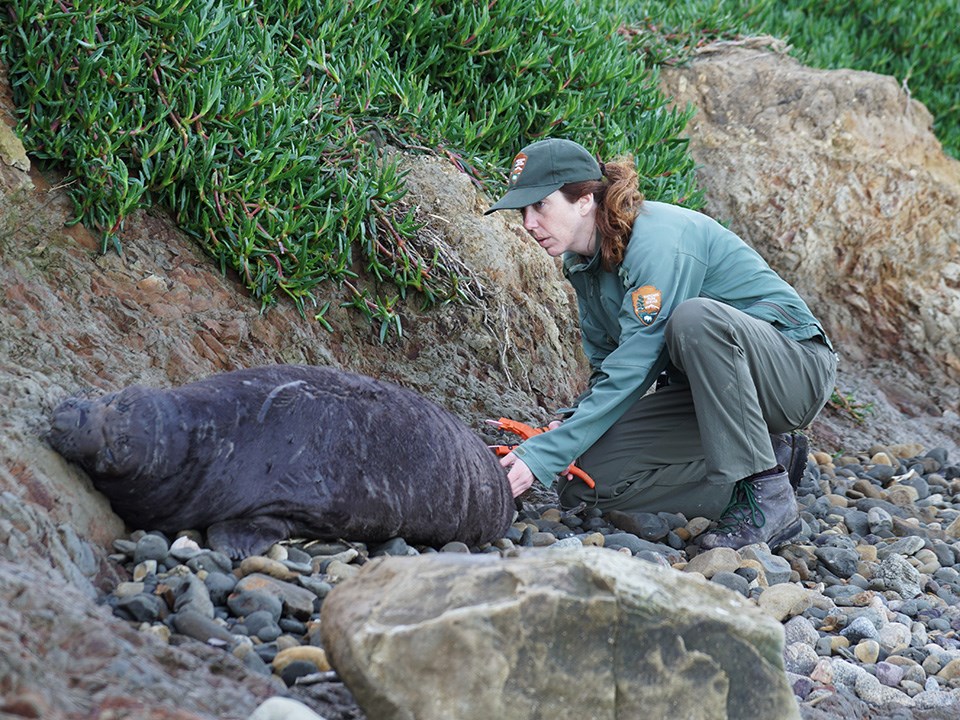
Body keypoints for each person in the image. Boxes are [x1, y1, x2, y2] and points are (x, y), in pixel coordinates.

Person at [484, 138, 837, 550]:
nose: (528, 223)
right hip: (712, 398)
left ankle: (765, 492)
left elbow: (636, 367)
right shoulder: (583, 264)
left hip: (792, 375)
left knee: (696, 318)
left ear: (584, 199)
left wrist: (542, 455)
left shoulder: (657, 240)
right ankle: (771, 467)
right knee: (587, 482)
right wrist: (566, 430)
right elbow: (609, 369)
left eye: (539, 206)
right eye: (522, 211)